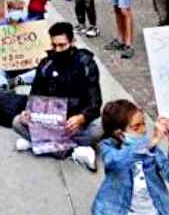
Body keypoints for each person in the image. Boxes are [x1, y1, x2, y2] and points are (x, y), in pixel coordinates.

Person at [12, 22, 103, 171]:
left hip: (74, 124)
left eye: (62, 45)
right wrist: (28, 112)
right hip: (49, 123)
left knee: (99, 128)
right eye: (54, 46)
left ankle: (43, 145)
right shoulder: (46, 64)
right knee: (17, 122)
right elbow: (35, 96)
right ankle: (72, 150)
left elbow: (95, 103)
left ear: (72, 42)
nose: (58, 50)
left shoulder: (86, 64)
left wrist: (82, 118)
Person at [92, 100, 169, 215]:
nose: (144, 130)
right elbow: (116, 161)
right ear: (120, 134)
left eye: (144, 124)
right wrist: (151, 142)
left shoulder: (151, 150)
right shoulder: (108, 146)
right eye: (136, 127)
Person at [0, 0, 37, 93]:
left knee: (39, 72)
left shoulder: (31, 25)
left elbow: (39, 47)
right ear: (8, 9)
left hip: (27, 66)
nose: (17, 12)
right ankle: (2, 87)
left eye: (19, 9)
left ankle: (17, 81)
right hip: (7, 66)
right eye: (14, 9)